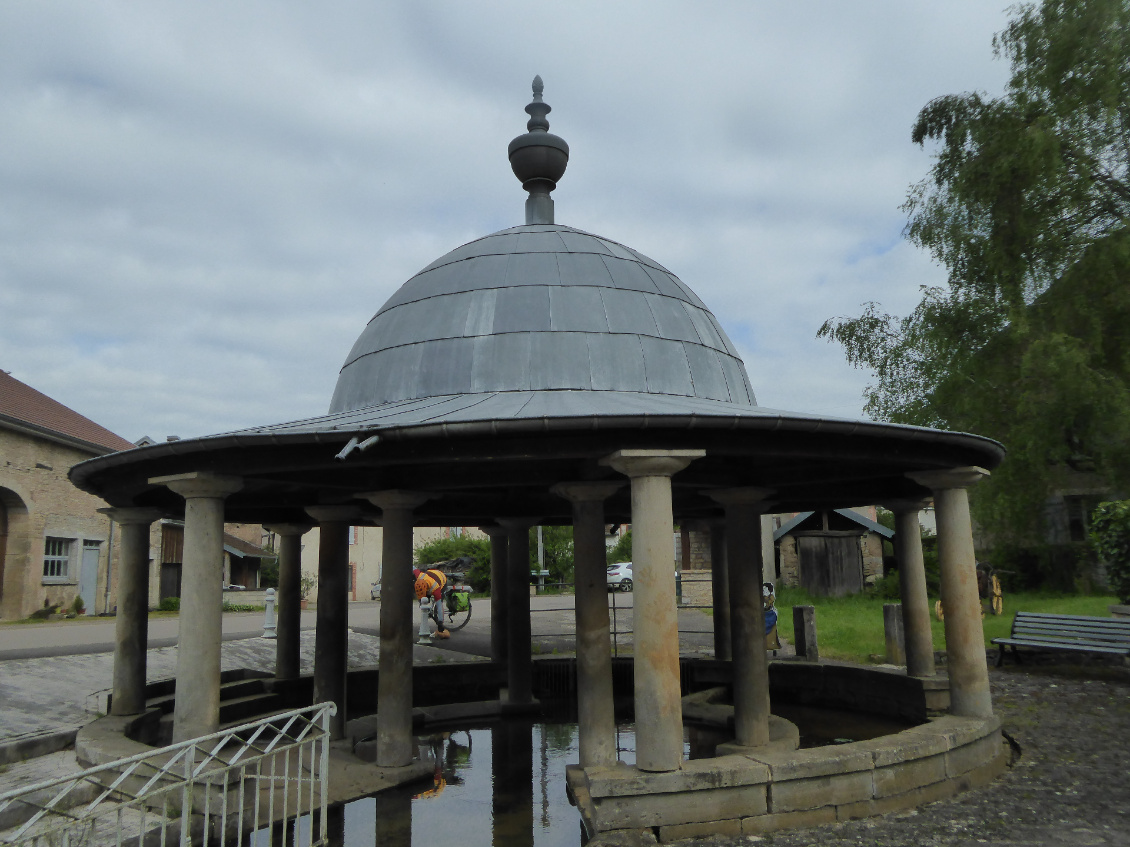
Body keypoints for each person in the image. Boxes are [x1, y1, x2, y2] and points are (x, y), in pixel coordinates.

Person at [413, 567, 450, 639]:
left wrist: (440, 623)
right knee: (424, 598)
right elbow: (412, 567)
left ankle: (440, 620)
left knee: (438, 603)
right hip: (431, 574)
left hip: (441, 578)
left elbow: (439, 606)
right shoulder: (419, 576)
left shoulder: (435, 589)